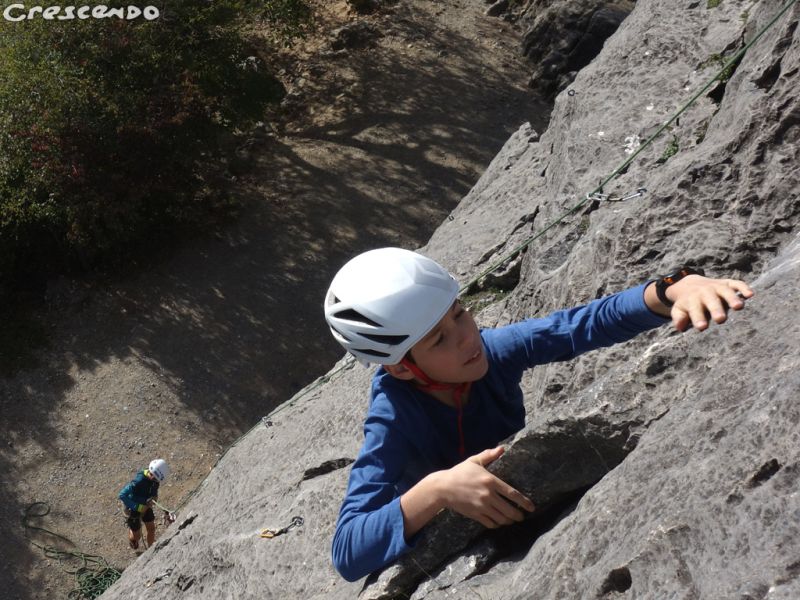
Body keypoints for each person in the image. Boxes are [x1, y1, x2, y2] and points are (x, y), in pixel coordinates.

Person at [323, 247, 753, 581]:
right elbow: (347, 551)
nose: (467, 337)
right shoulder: (393, 420)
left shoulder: (489, 353)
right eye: (438, 341)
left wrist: (671, 289)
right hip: (457, 532)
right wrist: (437, 490)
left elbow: (576, 326)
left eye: (460, 314)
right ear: (401, 367)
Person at [118, 458, 169, 550]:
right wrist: (138, 507)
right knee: (137, 537)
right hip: (132, 509)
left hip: (145, 506)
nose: (156, 481)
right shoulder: (139, 481)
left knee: (151, 529)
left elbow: (154, 491)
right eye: (153, 476)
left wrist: (154, 497)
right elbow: (122, 495)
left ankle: (151, 550)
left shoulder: (155, 481)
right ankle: (132, 538)